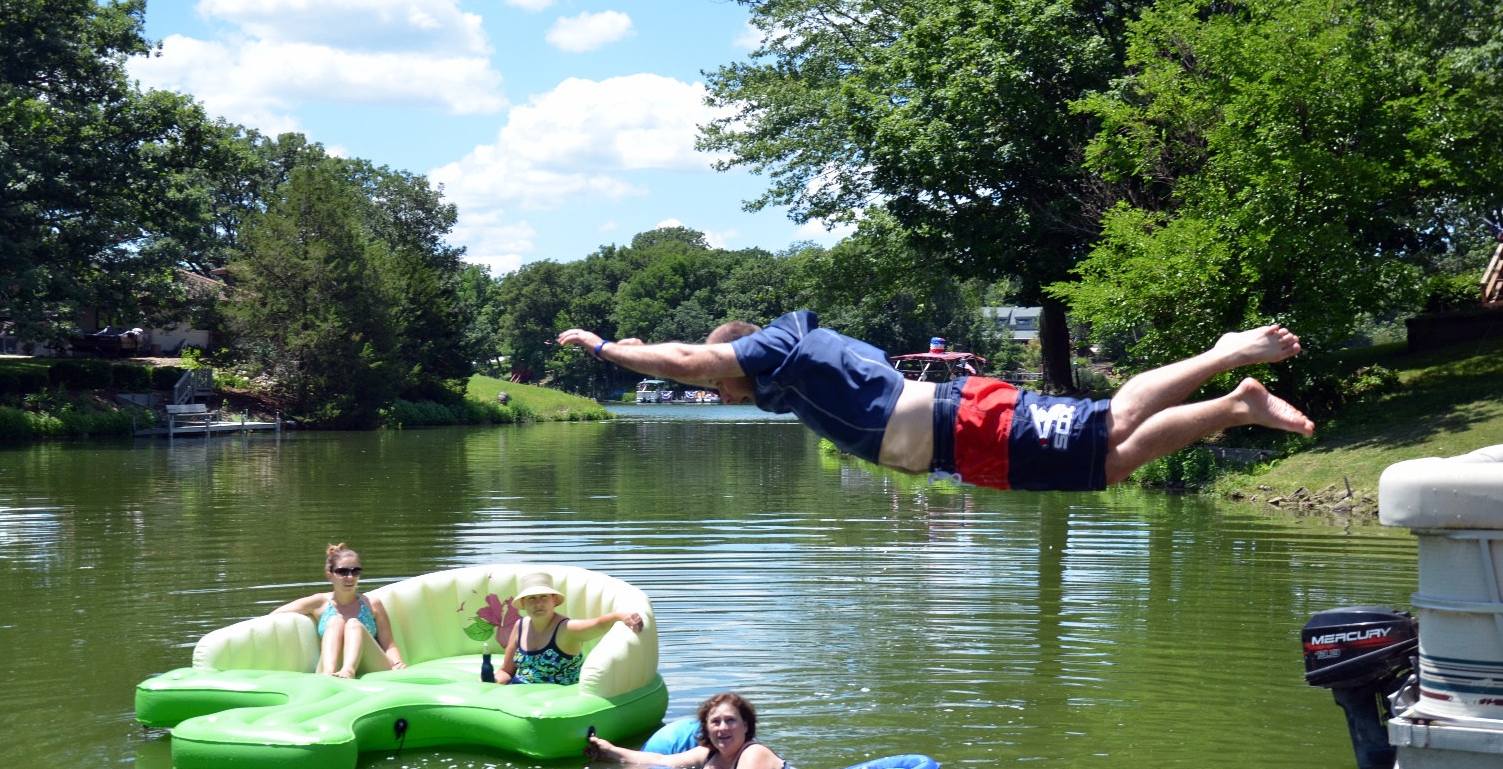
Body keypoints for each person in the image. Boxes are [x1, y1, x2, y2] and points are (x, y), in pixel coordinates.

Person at [558, 310, 1314, 491]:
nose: (717, 393)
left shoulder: (778, 349)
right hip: (960, 452)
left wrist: (604, 348)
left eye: (721, 383)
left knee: (1110, 419)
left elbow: (690, 362)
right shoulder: (782, 391)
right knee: (1104, 468)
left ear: (738, 355)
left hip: (965, 416)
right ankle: (1234, 405)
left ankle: (1226, 352)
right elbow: (709, 375)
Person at [587, 692, 797, 769]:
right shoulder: (708, 754)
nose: (722, 728)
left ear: (745, 726)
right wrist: (609, 751)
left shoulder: (753, 753)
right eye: (715, 722)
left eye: (730, 720)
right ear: (706, 728)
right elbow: (660, 761)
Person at [270, 543, 406, 678]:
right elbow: (276, 614)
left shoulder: (372, 604)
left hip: (371, 666)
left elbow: (389, 644)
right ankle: (329, 671)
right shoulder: (319, 603)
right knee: (335, 621)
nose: (350, 577)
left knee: (353, 624)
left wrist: (398, 663)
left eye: (355, 571)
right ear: (330, 576)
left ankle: (348, 670)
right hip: (332, 668)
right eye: (343, 572)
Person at [493, 570, 647, 685]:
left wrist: (620, 616)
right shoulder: (520, 626)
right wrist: (490, 682)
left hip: (555, 700)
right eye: (532, 598)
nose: (538, 603)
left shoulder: (567, 628)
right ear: (524, 603)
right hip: (518, 693)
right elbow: (506, 670)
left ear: (553, 600)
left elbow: (598, 624)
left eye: (543, 597)